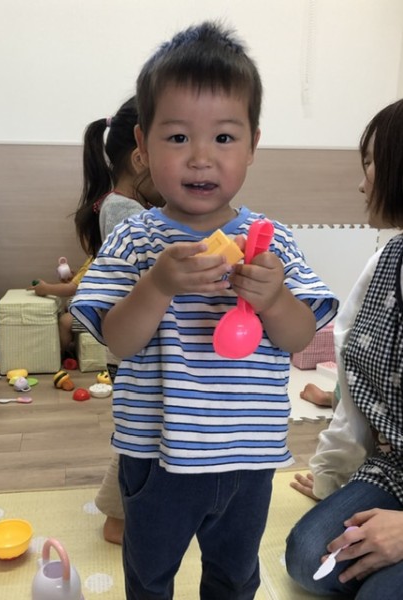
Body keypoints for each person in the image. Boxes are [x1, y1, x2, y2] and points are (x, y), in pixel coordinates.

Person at [71, 21, 337, 600]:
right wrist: (157, 285)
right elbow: (118, 341)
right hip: (156, 455)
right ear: (142, 146)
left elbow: (298, 337)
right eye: (176, 137)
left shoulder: (272, 242)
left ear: (252, 144)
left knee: (235, 576)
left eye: (222, 137)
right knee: (149, 576)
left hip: (249, 456)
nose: (200, 158)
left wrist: (275, 299)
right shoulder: (136, 241)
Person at [285, 98, 403, 600]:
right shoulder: (386, 260)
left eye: (371, 163)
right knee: (308, 553)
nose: (362, 183)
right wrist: (331, 477)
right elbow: (353, 393)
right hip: (396, 466)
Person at [74, 96, 164, 546]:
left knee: (144, 432)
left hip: (138, 341)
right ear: (141, 158)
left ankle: (130, 512)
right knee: (139, 436)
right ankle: (117, 518)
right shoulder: (125, 211)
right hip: (134, 345)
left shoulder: (123, 205)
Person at [27, 257, 92, 356]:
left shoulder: (99, 259)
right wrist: (74, 279)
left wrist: (45, 288)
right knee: (68, 304)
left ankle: (61, 355)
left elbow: (71, 289)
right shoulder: (92, 258)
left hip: (103, 312)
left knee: (64, 322)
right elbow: (84, 284)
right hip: (94, 301)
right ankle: (70, 342)